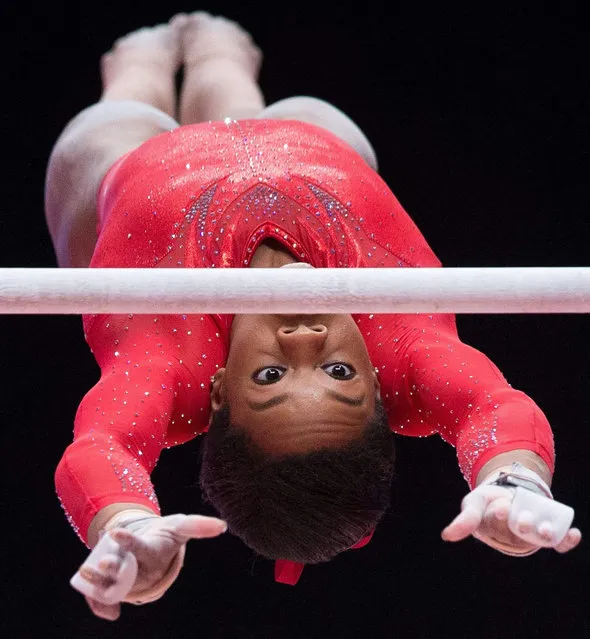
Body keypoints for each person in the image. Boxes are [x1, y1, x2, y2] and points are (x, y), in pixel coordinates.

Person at [45, 12, 581, 622]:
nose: (305, 339)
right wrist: (513, 479)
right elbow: (493, 408)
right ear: (381, 383)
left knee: (109, 125)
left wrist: (122, 520)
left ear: (218, 394)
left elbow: (101, 446)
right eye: (339, 374)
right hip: (308, 142)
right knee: (269, 98)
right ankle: (222, 59)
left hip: (130, 169)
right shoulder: (405, 344)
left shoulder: (168, 363)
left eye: (269, 379)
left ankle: (137, 66)